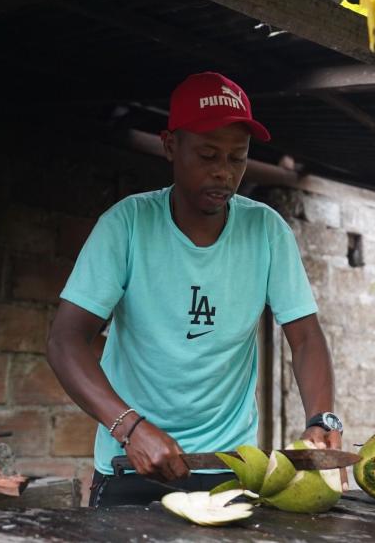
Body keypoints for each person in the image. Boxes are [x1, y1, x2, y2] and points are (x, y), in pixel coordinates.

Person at [46, 71, 346, 507]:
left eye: (237, 158)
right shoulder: (127, 225)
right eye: (208, 155)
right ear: (171, 145)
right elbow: (65, 340)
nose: (224, 172)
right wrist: (129, 427)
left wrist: (322, 418)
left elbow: (305, 337)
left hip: (230, 467)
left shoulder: (266, 231)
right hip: (130, 462)